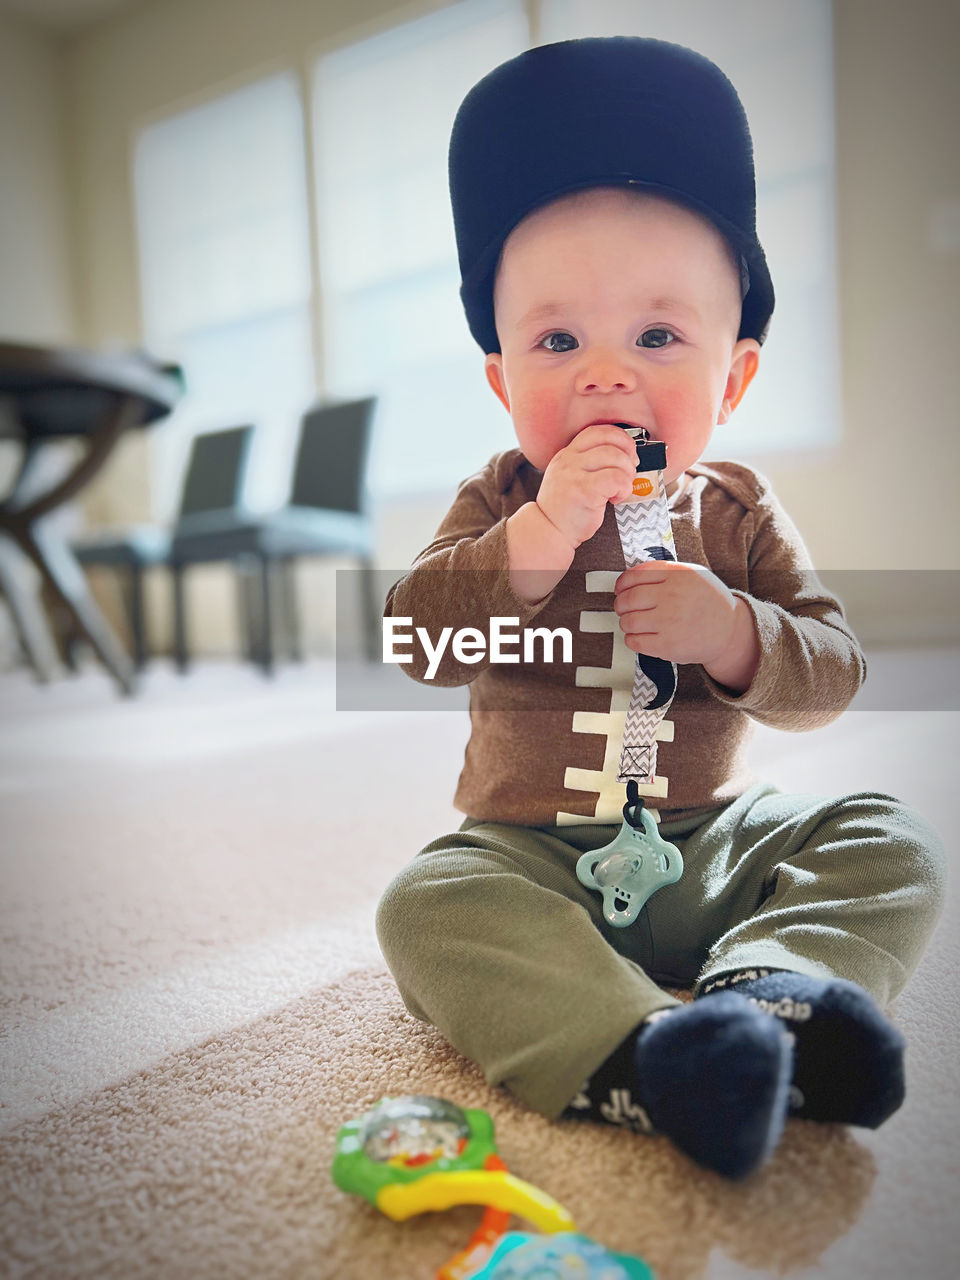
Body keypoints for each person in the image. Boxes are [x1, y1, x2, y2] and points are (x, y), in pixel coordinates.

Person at [375, 37, 945, 1179]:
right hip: (527, 855)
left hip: (707, 845)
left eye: (656, 335)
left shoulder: (736, 510)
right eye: (555, 340)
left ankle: (778, 989)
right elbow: (411, 640)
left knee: (892, 836)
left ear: (732, 378)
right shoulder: (498, 498)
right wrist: (528, 545)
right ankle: (645, 1054)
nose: (604, 373)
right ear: (503, 376)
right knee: (424, 903)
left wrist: (737, 633)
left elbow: (834, 666)